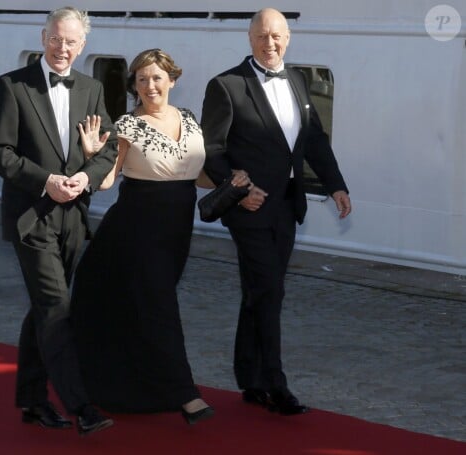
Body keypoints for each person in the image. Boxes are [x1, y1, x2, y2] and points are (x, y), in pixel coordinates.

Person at [71, 49, 245, 424]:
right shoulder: (127, 125)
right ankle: (186, 396)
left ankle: (139, 387)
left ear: (172, 80)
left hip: (177, 228)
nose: (149, 86)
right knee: (159, 306)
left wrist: (234, 182)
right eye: (142, 79)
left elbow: (192, 174)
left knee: (144, 308)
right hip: (134, 229)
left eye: (156, 78)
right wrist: (90, 155)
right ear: (134, 85)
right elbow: (106, 180)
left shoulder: (189, 119)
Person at [201, 8, 352, 416]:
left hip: (287, 205)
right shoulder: (227, 85)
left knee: (259, 291)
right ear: (250, 39)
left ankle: (248, 378)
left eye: (277, 36)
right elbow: (211, 151)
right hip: (249, 206)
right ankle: (275, 383)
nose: (270, 43)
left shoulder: (299, 81)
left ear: (289, 38)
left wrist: (336, 184)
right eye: (262, 36)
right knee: (270, 290)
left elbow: (315, 141)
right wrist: (239, 190)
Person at [0, 7, 117, 436]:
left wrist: (84, 176)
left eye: (72, 42)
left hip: (74, 217)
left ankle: (31, 398)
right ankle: (82, 406)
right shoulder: (12, 85)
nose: (63, 48)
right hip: (31, 216)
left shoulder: (93, 88)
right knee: (57, 308)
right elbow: (0, 152)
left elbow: (109, 151)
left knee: (44, 309)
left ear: (83, 46)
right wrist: (47, 181)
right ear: (43, 37)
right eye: (56, 39)